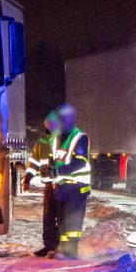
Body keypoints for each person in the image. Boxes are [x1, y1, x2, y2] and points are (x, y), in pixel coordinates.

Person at [51, 103, 91, 259]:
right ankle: (64, 249)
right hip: (62, 187)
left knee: (73, 221)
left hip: (76, 188)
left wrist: (60, 171)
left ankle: (72, 251)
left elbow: (80, 162)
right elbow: (54, 160)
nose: (61, 121)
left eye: (64, 118)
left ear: (70, 119)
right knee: (61, 220)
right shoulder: (56, 138)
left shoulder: (79, 137)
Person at [25, 110, 61, 257]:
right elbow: (33, 162)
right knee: (48, 217)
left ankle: (59, 246)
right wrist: (27, 178)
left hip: (61, 184)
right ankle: (49, 245)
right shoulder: (43, 142)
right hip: (49, 186)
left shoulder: (63, 140)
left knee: (61, 216)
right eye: (50, 125)